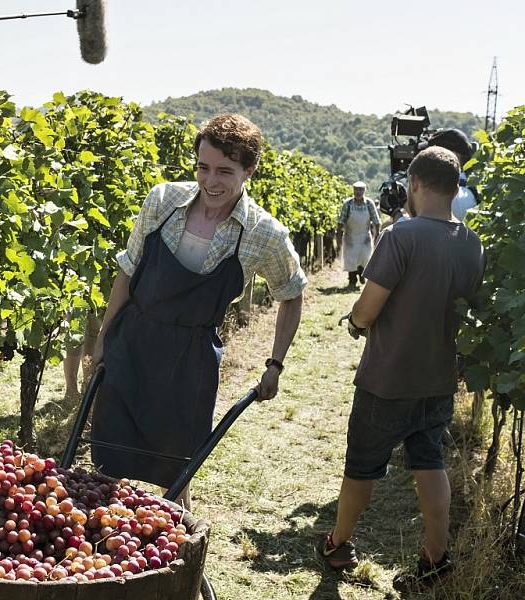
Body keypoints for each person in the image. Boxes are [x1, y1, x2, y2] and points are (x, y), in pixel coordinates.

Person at [89, 113, 306, 509]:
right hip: (133, 341)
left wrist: (275, 364)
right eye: (203, 168)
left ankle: (181, 554)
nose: (210, 181)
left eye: (225, 171)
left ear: (249, 170)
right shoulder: (164, 201)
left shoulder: (263, 233)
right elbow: (127, 271)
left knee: (177, 471)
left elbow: (292, 293)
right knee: (108, 463)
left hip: (189, 360)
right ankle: (100, 547)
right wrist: (104, 340)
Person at [318, 147, 485, 592]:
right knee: (429, 462)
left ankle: (338, 545)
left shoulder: (401, 236)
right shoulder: (471, 243)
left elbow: (370, 307)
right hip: (438, 380)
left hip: (386, 380)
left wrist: (354, 321)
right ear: (455, 189)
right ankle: (436, 557)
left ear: (413, 184)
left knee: (361, 467)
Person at [337, 182, 381, 286]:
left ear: (364, 191)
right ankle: (352, 280)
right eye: (356, 189)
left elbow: (376, 221)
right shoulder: (347, 204)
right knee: (351, 259)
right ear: (353, 190)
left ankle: (362, 276)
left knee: (364, 257)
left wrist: (377, 234)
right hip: (350, 237)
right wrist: (338, 237)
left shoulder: (369, 203)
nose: (358, 192)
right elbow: (341, 221)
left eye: (361, 190)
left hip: (364, 236)